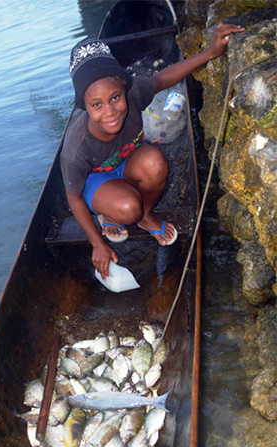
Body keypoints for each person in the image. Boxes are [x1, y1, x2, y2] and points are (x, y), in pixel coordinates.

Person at [60, 22, 244, 279]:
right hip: (95, 180)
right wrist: (97, 244)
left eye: (115, 97)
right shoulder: (76, 149)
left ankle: (146, 215)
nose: (110, 111)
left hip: (126, 163)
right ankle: (110, 214)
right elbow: (73, 197)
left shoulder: (134, 94)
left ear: (124, 89)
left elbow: (163, 78)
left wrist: (208, 53)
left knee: (156, 162)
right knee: (128, 209)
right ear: (85, 107)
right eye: (97, 104)